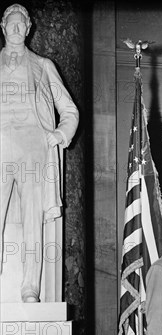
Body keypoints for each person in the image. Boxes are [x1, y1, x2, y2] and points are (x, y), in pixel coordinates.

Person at [0, 3, 79, 302]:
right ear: (3, 27)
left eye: (22, 24)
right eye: (12, 24)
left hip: (34, 145)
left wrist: (60, 134)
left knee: (33, 217)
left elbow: (69, 109)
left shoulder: (44, 66)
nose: (17, 29)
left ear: (29, 28)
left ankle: (30, 286)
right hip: (1, 143)